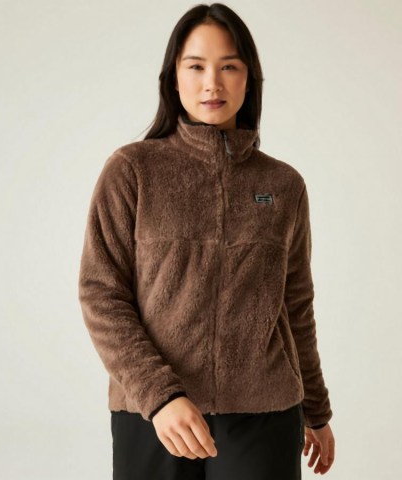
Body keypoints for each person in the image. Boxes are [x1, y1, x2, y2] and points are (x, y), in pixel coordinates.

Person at [78, 3, 335, 479]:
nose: (212, 83)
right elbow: (102, 294)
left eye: (229, 67)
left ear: (249, 79)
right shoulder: (132, 170)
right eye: (195, 66)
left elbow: (296, 305)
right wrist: (160, 396)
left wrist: (317, 411)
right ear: (173, 78)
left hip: (263, 417)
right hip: (153, 417)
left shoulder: (284, 185)